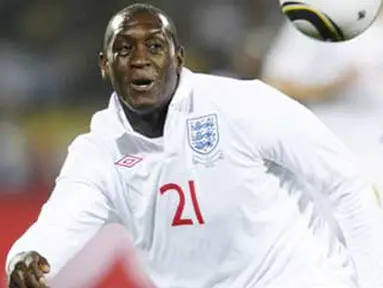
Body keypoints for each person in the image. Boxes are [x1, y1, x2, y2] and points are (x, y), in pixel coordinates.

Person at [5, 3, 383, 288]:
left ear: (179, 57)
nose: (140, 61)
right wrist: (28, 256)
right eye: (124, 49)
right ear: (104, 65)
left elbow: (347, 185)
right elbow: (57, 223)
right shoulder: (100, 151)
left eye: (154, 46)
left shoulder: (242, 104)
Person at [261, 16, 383, 192]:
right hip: (331, 154)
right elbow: (273, 83)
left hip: (375, 150)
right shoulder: (314, 16)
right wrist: (329, 89)